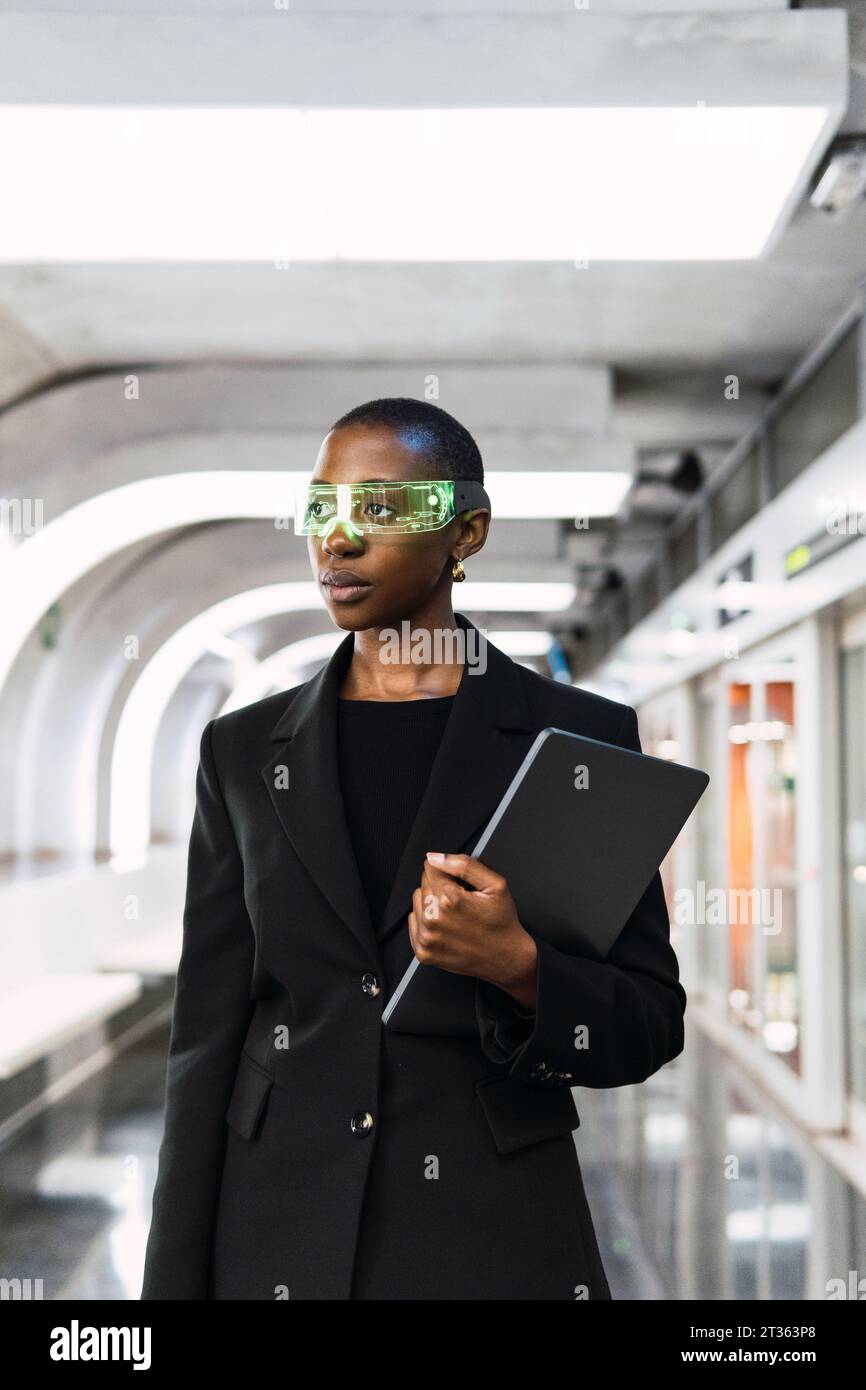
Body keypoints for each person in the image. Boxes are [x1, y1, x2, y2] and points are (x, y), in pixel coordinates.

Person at [140, 396, 686, 1301]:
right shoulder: (240, 751)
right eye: (322, 509)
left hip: (491, 1235)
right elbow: (204, 1039)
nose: (339, 539)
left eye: (383, 509)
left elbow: (646, 1024)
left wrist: (519, 966)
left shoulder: (576, 742)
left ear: (466, 531)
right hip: (275, 1230)